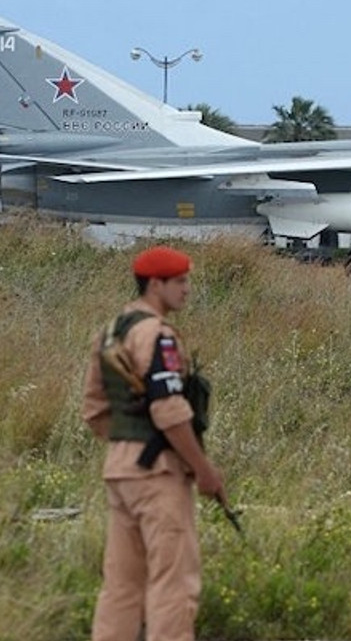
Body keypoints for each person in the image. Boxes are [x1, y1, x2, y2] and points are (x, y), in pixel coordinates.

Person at [81, 245, 224, 641]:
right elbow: (168, 410)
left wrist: (127, 445)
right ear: (155, 284)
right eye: (179, 282)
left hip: (120, 470)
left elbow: (94, 408)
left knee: (121, 587)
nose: (187, 289)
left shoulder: (111, 331)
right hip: (159, 473)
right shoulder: (156, 334)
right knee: (173, 586)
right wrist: (203, 469)